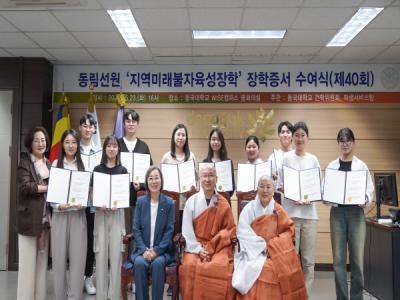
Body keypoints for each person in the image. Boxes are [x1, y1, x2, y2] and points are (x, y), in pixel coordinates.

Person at [233, 176, 307, 299]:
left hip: (276, 253)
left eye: (268, 187)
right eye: (261, 186)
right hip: (253, 253)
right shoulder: (249, 209)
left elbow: (289, 231)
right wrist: (263, 247)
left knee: (287, 269)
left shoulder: (278, 210)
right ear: (257, 189)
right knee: (263, 269)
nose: (265, 190)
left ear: (273, 190)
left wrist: (273, 246)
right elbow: (243, 232)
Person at [327, 128, 374, 300]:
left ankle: (356, 297)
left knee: (357, 261)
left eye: (348, 140)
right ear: (338, 143)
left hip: (356, 214)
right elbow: (326, 193)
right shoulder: (332, 166)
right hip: (337, 214)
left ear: (353, 142)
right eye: (341, 140)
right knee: (338, 260)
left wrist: (366, 199)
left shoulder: (361, 166)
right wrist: (328, 196)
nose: (345, 144)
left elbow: (370, 190)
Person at [179, 165, 236, 299]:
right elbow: (187, 230)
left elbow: (230, 229)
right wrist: (199, 249)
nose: (208, 179)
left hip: (218, 247)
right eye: (204, 176)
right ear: (199, 179)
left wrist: (213, 246)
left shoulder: (223, 203)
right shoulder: (191, 202)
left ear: (216, 179)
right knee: (189, 266)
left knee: (221, 266)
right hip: (195, 246)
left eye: (211, 175)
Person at [280, 121, 320, 296]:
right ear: (292, 137)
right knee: (291, 259)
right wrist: (290, 193)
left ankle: (306, 295)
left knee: (308, 261)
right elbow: (280, 185)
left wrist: (308, 198)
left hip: (310, 217)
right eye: (296, 135)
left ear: (308, 137)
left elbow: (318, 187)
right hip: (292, 216)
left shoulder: (313, 159)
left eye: (303, 135)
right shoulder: (286, 159)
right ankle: (292, 295)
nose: (299, 138)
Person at [125, 166, 175, 300]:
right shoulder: (141, 202)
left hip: (161, 252)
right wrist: (144, 250)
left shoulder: (169, 203)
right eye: (150, 178)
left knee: (158, 264)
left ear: (161, 180)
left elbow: (169, 230)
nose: (154, 181)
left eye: (156, 178)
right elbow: (136, 229)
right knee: (140, 263)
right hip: (143, 250)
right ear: (146, 182)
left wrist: (156, 251)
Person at [51, 129, 87, 300]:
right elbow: (50, 197)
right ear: (62, 145)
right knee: (58, 261)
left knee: (78, 262)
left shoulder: (83, 166)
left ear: (78, 145)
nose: (71, 145)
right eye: (67, 142)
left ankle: (75, 297)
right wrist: (59, 205)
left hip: (78, 216)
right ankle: (60, 296)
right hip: (59, 216)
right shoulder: (55, 166)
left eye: (74, 142)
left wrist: (84, 202)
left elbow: (88, 193)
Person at [16, 126, 51, 300]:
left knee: (41, 267)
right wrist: (47, 188)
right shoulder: (25, 160)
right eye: (36, 140)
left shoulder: (49, 163)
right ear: (30, 143)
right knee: (27, 267)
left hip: (45, 222)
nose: (40, 143)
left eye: (43, 139)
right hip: (29, 221)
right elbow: (24, 187)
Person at [92, 135, 128, 300]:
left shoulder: (123, 171)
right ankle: (101, 295)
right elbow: (91, 196)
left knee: (116, 256)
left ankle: (114, 295)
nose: (112, 148)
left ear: (118, 149)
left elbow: (125, 197)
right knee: (100, 256)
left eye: (114, 146)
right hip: (100, 214)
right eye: (109, 146)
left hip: (117, 215)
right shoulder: (97, 169)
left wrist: (119, 203)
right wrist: (97, 204)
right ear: (105, 149)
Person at [118, 109, 153, 237]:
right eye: (128, 121)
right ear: (123, 124)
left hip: (139, 199)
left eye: (133, 121)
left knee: (138, 234)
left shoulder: (144, 147)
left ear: (137, 124)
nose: (131, 124)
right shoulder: (117, 145)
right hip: (121, 200)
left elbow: (150, 175)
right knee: (123, 235)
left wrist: (142, 185)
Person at [78, 113, 100, 295]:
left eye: (90, 126)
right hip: (75, 205)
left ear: (94, 129)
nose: (87, 129)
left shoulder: (100, 152)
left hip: (92, 204)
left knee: (91, 242)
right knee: (77, 241)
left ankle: (87, 277)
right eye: (84, 126)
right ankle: (76, 276)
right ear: (80, 128)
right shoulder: (72, 148)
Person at [161, 123, 196, 208]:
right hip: (171, 202)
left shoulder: (191, 157)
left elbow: (196, 179)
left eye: (183, 135)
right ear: (173, 136)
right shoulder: (166, 158)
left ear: (186, 138)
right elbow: (162, 181)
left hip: (188, 202)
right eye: (178, 134)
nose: (180, 138)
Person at [202, 128, 235, 196]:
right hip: (208, 201)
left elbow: (232, 187)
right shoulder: (205, 163)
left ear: (222, 142)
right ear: (210, 141)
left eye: (218, 140)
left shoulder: (228, 162)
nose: (216, 142)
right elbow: (202, 186)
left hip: (224, 201)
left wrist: (224, 192)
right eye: (213, 139)